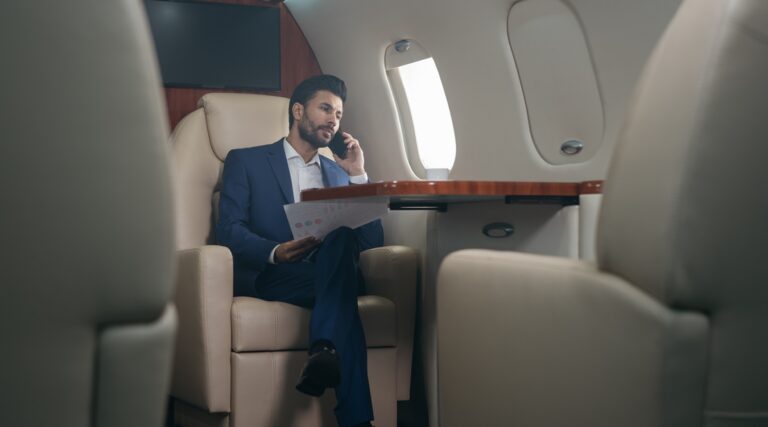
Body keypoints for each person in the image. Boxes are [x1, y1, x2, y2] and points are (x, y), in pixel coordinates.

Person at [216, 74, 383, 427]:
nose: (333, 120)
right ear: (297, 111)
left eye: (338, 115)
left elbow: (371, 244)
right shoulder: (246, 161)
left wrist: (358, 176)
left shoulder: (339, 175)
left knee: (340, 239)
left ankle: (324, 351)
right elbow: (228, 230)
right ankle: (355, 416)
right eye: (325, 108)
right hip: (275, 272)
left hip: (326, 269)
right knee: (343, 295)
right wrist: (277, 250)